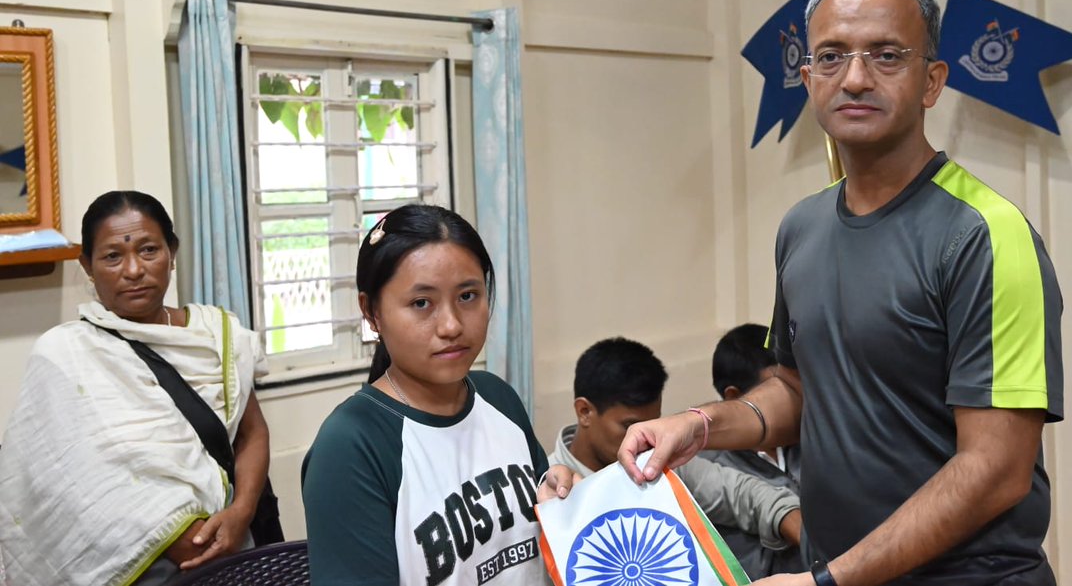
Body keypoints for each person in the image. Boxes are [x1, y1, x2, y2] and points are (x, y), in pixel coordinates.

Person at [619, 0, 1064, 586]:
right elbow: (802, 393)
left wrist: (828, 581)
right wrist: (696, 426)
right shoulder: (801, 227)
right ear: (808, 80)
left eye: (886, 55)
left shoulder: (985, 235)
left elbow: (996, 469)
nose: (855, 77)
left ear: (932, 81)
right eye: (831, 57)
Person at [0, 190, 271, 586]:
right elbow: (59, 484)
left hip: (228, 547)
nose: (133, 270)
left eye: (148, 250)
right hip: (126, 567)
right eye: (112, 256)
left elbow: (252, 433)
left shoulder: (216, 335)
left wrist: (241, 512)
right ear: (87, 265)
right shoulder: (63, 353)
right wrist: (171, 534)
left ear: (172, 253)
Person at [302, 204, 575, 585]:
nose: (451, 325)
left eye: (467, 296)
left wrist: (562, 503)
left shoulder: (498, 397)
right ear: (371, 312)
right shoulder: (350, 446)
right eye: (421, 303)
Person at [548, 337, 803, 554]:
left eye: (652, 425)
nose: (642, 442)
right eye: (629, 427)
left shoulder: (657, 462)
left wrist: (791, 520)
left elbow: (740, 493)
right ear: (584, 411)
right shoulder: (548, 489)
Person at [701, 324, 805, 580]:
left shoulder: (810, 437)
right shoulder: (710, 471)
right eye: (775, 391)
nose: (793, 399)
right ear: (734, 396)